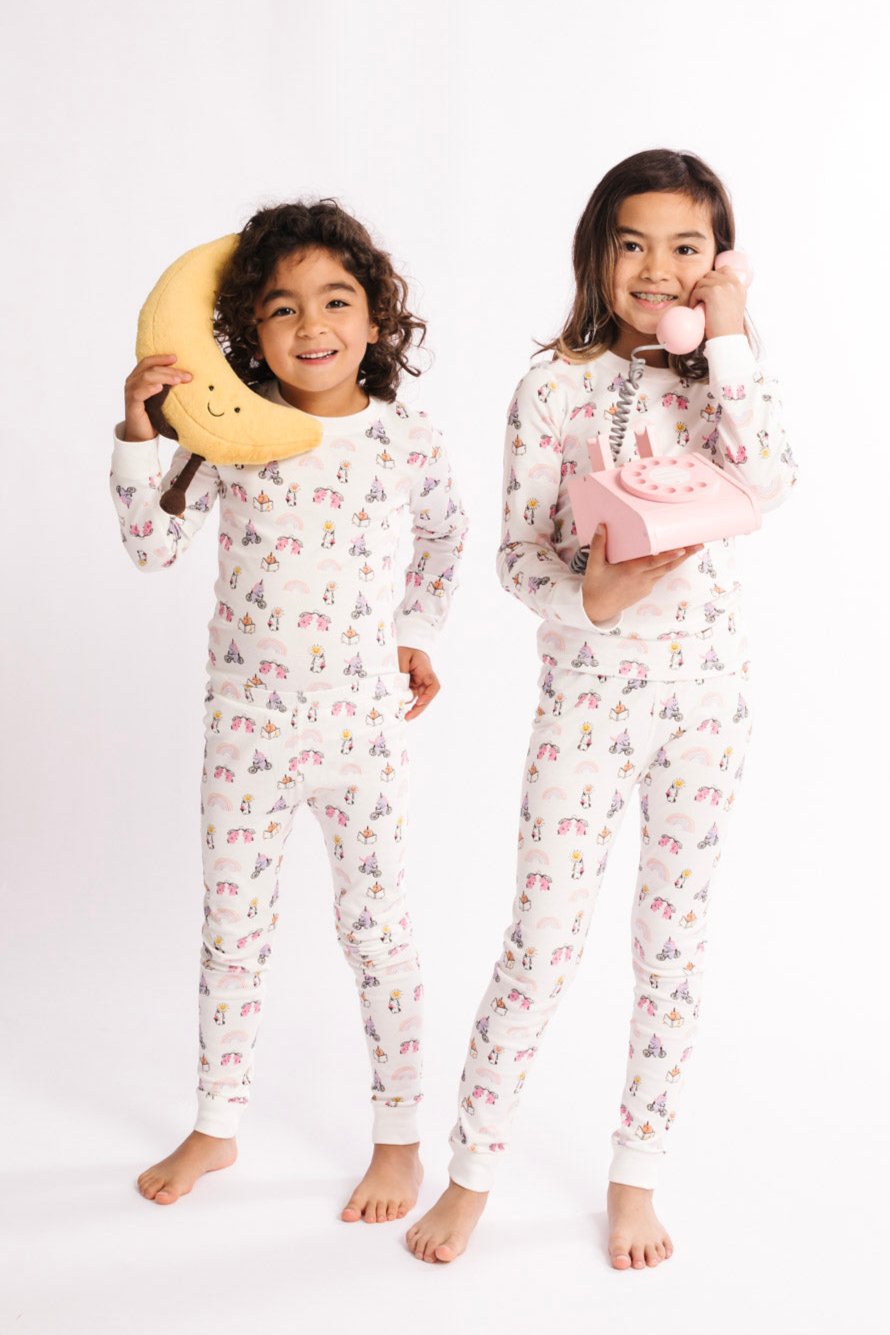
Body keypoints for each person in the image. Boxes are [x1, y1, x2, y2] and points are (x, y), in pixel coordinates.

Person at [407, 149, 797, 1268]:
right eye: (634, 244)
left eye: (687, 246)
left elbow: (771, 481)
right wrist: (592, 596)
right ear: (598, 253)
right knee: (540, 941)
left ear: (718, 259)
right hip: (587, 702)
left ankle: (636, 1177)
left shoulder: (729, 377)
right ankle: (471, 1172)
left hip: (705, 701)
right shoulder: (552, 386)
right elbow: (515, 553)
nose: (657, 268)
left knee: (670, 944)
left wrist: (727, 334)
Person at [110, 200, 467, 1222]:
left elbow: (446, 537)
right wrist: (140, 430)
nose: (311, 325)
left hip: (361, 732)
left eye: (335, 300)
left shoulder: (404, 437)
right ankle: (217, 1122)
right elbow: (152, 547)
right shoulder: (229, 433)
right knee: (233, 931)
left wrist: (416, 632)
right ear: (249, 331)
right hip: (247, 734)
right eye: (280, 308)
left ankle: (398, 1139)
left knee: (378, 933)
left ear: (375, 316)